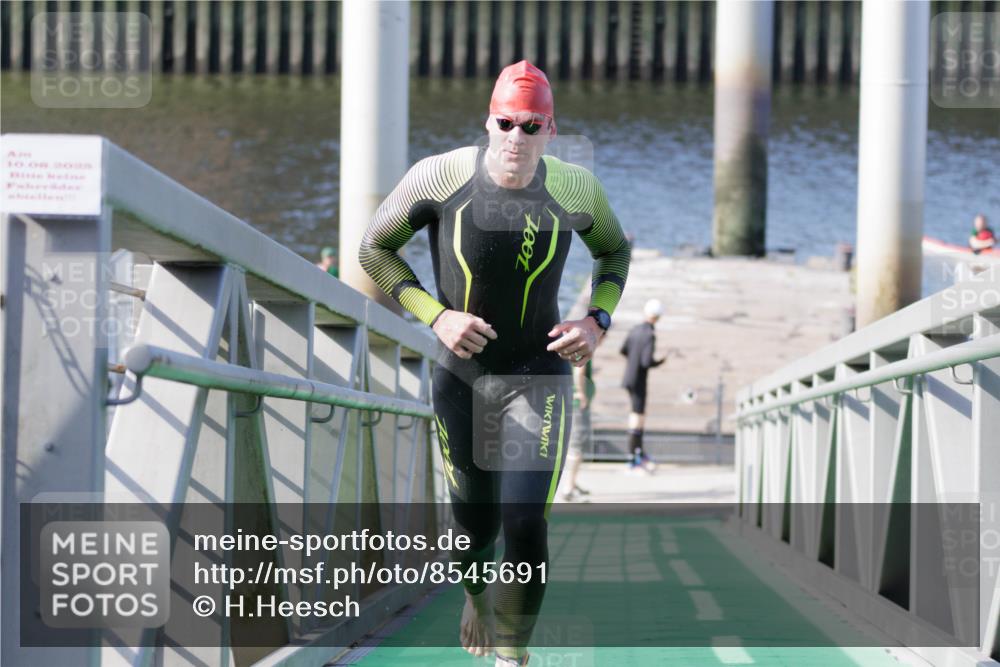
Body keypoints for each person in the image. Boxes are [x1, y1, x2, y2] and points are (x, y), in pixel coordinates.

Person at [358, 61, 630, 667]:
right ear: (488, 121)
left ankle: (512, 656)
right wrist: (435, 315)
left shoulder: (574, 188)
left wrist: (596, 321)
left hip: (539, 375)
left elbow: (614, 255)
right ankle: (476, 594)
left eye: (531, 126)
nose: (516, 137)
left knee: (525, 522)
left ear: (550, 131)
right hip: (462, 379)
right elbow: (374, 248)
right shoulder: (439, 176)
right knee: (474, 531)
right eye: (506, 122)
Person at [620, 298, 665, 474]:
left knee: (635, 415)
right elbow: (646, 362)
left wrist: (632, 361)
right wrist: (660, 362)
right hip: (639, 380)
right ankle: (634, 457)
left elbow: (623, 350)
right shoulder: (650, 335)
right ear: (658, 317)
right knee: (638, 418)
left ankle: (637, 454)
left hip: (628, 377)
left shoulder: (634, 330)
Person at [559, 358, 595, 502]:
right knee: (577, 446)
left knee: (575, 445)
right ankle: (569, 487)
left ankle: (572, 483)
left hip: (572, 401)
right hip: (577, 404)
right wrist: (581, 393)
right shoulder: (582, 344)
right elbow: (579, 370)